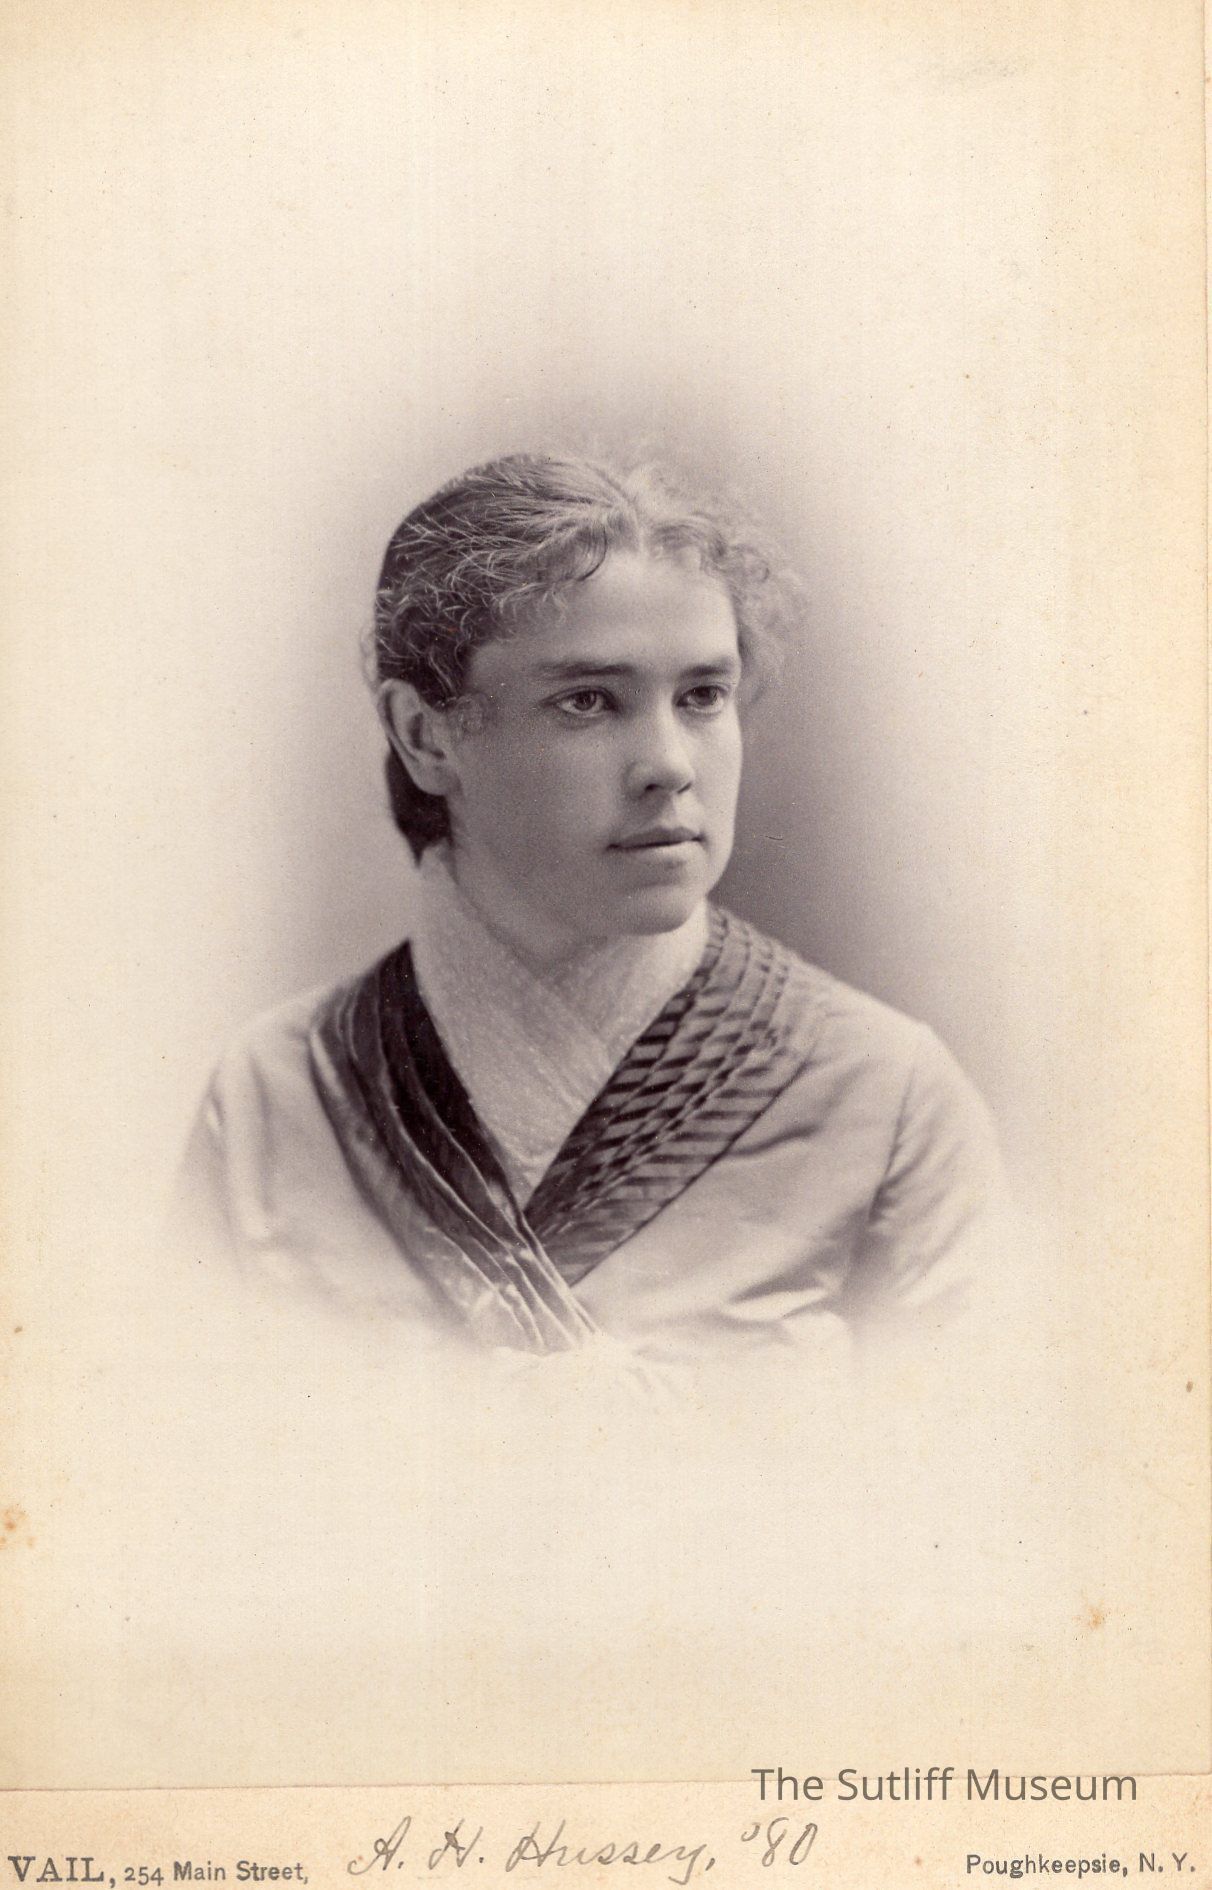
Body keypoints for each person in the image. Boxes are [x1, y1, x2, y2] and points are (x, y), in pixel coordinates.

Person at [172, 452, 1003, 1376]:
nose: (670, 764)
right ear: (425, 735)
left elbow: (959, 1454)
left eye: (703, 696)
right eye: (588, 701)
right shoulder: (274, 1099)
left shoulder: (888, 1096)